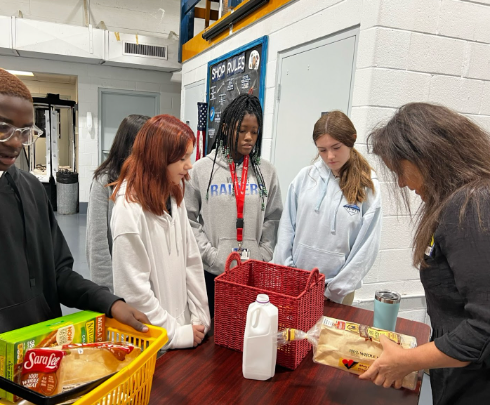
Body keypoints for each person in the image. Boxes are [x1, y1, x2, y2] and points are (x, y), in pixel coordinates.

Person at [0, 67, 150, 393]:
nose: (15, 144)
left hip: (43, 367)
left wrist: (108, 301)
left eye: (25, 132)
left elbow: (59, 273)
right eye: (0, 128)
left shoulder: (30, 189)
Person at [360, 103, 490, 404]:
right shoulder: (462, 202)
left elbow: (485, 328)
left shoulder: (471, 205)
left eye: (400, 171)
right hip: (457, 372)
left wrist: (408, 361)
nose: (403, 184)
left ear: (426, 155)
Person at [110, 115, 210, 350]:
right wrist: (175, 334)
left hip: (185, 331)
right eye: (182, 158)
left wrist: (199, 318)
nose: (189, 165)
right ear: (158, 158)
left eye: (189, 156)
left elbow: (191, 261)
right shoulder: (128, 209)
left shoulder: (174, 195)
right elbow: (135, 294)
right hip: (153, 345)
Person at [185, 94, 283, 317]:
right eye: (242, 130)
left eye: (254, 131)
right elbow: (188, 219)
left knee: (249, 332)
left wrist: (263, 253)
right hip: (213, 272)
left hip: (253, 273)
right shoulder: (201, 169)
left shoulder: (266, 171)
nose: (249, 137)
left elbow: (274, 216)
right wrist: (211, 255)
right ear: (227, 128)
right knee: (215, 338)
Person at [273, 111, 381, 305]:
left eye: (336, 147)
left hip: (338, 292)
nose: (330, 156)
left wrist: (336, 289)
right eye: (322, 150)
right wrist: (288, 272)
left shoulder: (367, 185)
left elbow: (367, 246)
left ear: (351, 140)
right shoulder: (305, 178)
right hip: (296, 283)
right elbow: (287, 228)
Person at [87, 114, 149, 292]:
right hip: (118, 287)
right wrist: (107, 293)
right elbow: (97, 244)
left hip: (147, 285)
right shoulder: (104, 182)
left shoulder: (151, 180)